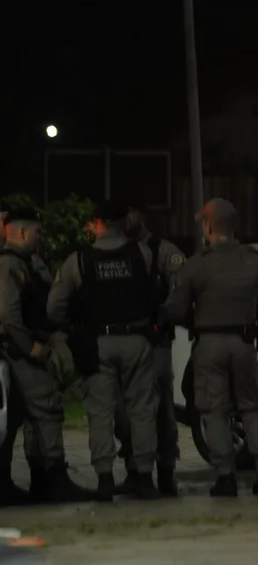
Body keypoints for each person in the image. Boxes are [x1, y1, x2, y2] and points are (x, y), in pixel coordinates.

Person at [47, 200, 161, 501]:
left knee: (100, 413)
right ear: (125, 223)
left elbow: (54, 308)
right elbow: (154, 294)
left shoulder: (79, 260)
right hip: (136, 339)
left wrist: (73, 327)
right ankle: (144, 477)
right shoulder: (143, 252)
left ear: (97, 223)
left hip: (97, 343)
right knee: (142, 411)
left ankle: (105, 480)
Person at [164, 198, 258, 497]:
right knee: (252, 407)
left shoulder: (196, 265)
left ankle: (225, 477)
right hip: (244, 343)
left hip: (209, 344)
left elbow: (176, 310)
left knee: (214, 411)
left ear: (210, 227)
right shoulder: (255, 262)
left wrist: (196, 322)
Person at [0, 207, 92, 503]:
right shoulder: (9, 265)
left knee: (25, 417)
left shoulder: (25, 262)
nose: (40, 237)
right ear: (22, 232)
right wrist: (30, 347)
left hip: (22, 349)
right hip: (20, 351)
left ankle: (37, 479)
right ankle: (53, 477)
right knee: (47, 409)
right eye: (37, 232)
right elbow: (9, 315)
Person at [113, 203, 185, 497]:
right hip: (126, 341)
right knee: (124, 413)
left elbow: (180, 291)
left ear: (142, 216)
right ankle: (135, 471)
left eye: (131, 213)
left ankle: (165, 472)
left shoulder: (163, 251)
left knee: (162, 410)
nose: (126, 219)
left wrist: (160, 320)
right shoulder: (115, 250)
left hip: (155, 342)